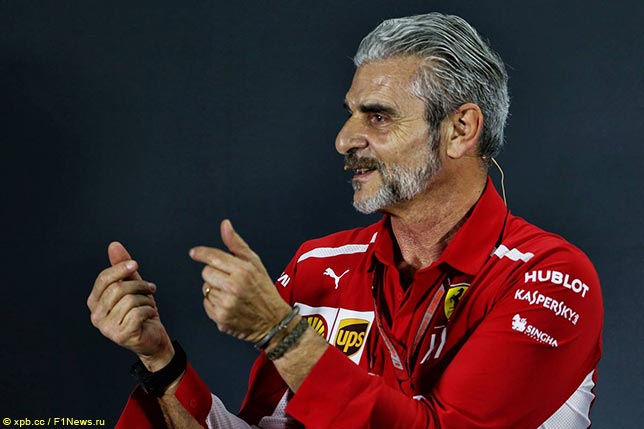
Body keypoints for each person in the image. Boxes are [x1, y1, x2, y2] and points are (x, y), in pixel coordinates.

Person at [87, 13, 603, 429]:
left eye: (377, 116)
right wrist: (162, 362)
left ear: (461, 129)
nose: (343, 140)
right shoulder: (317, 265)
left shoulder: (550, 276)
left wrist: (281, 333)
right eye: (350, 113)